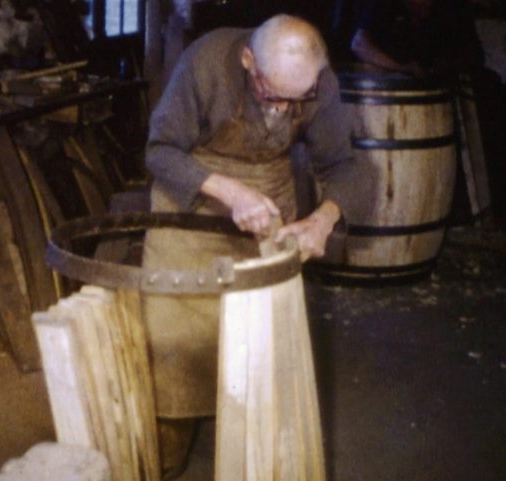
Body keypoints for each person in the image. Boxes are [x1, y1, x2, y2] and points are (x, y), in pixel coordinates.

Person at [142, 14, 374, 479]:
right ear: (249, 61)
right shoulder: (204, 63)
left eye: (299, 99)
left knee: (261, 348)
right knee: (174, 347)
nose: (287, 110)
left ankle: (254, 459)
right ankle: (165, 457)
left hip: (268, 202)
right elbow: (160, 151)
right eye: (274, 95)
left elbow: (347, 166)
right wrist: (229, 192)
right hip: (191, 202)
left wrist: (322, 220)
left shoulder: (318, 83)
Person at [350, 0, 484, 78]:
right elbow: (359, 44)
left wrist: (451, 65)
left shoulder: (454, 7)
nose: (422, 9)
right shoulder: (383, 4)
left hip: (444, 93)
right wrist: (401, 68)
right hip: (388, 90)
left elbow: (475, 55)